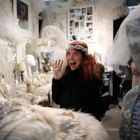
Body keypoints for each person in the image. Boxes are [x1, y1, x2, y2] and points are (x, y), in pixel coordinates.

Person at [52, 40, 113, 120]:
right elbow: (57, 100)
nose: (70, 58)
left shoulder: (90, 78)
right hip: (67, 121)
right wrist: (57, 79)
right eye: (68, 54)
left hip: (83, 124)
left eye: (75, 54)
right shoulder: (66, 75)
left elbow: (92, 109)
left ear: (84, 57)